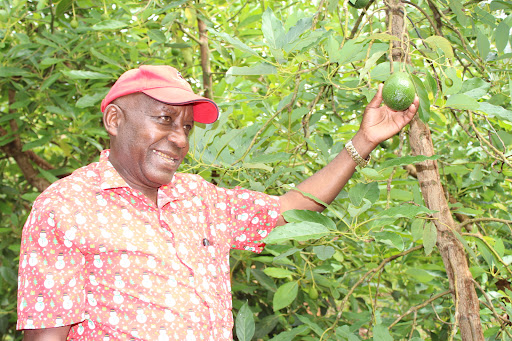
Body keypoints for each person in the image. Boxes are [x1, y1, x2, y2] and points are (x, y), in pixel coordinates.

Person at [17, 65, 418, 340]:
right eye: (165, 119)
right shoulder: (65, 207)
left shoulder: (199, 197)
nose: (179, 139)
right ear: (115, 121)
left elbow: (292, 209)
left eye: (187, 127)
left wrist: (363, 142)